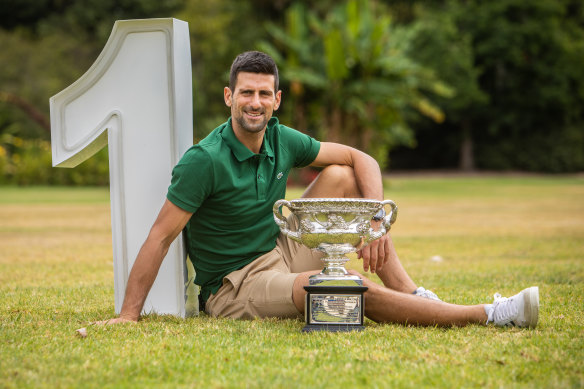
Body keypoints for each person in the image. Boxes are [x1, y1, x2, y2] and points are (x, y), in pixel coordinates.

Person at [98, 51, 539, 328]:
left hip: (279, 246)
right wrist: (127, 316)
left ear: (277, 100)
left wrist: (376, 226)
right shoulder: (204, 160)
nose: (255, 103)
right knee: (335, 286)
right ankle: (488, 314)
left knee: (344, 177)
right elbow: (160, 236)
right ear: (229, 96)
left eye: (264, 94)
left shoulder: (279, 137)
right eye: (246, 93)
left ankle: (411, 293)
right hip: (235, 284)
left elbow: (360, 158)